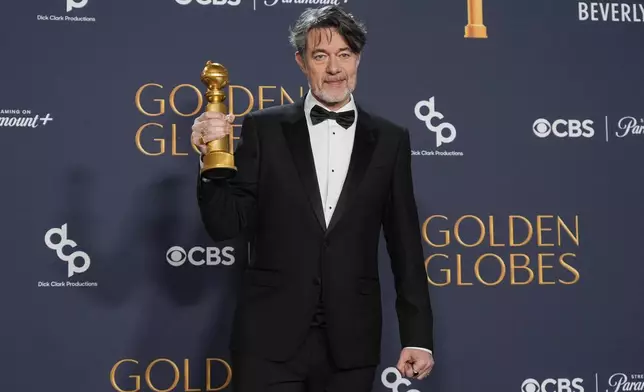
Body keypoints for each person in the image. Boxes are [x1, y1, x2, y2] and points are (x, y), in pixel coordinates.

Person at [191, 5, 434, 391]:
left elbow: (405, 244)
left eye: (345, 55)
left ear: (358, 58)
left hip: (351, 341)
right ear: (302, 62)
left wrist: (417, 334)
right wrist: (209, 159)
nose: (334, 68)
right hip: (268, 340)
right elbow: (224, 225)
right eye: (321, 56)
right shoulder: (264, 130)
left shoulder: (391, 139)